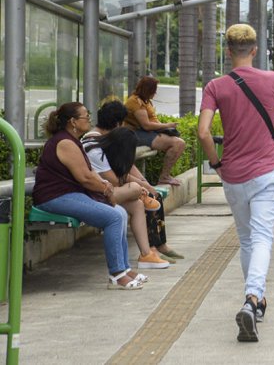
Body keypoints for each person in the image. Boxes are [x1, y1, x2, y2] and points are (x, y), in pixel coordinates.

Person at [198, 23, 274, 343]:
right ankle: (251, 299)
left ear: (229, 51)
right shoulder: (273, 80)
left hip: (233, 176)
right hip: (265, 173)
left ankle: (256, 302)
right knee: (262, 239)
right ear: (255, 50)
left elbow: (203, 132)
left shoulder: (215, 87)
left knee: (247, 240)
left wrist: (216, 163)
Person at [32, 102, 154, 290]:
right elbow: (86, 178)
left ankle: (124, 268)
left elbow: (89, 175)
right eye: (85, 116)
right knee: (113, 216)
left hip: (70, 194)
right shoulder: (64, 142)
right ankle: (116, 275)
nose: (89, 118)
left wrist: (104, 186)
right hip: (55, 197)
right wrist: (107, 190)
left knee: (120, 213)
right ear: (73, 121)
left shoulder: (72, 140)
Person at [83, 101, 184, 265]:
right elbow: (114, 177)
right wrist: (144, 186)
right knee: (143, 193)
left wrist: (146, 183)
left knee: (147, 195)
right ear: (118, 123)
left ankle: (156, 248)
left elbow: (126, 164)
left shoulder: (107, 137)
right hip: (102, 190)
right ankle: (152, 248)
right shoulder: (94, 143)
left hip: (111, 187)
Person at [124, 76, 186, 186]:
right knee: (178, 143)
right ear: (148, 90)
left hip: (146, 133)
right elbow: (146, 125)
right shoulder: (135, 102)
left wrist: (166, 129)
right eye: (154, 90)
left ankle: (166, 176)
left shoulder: (145, 101)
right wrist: (167, 125)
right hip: (136, 134)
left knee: (179, 142)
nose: (155, 93)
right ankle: (164, 177)